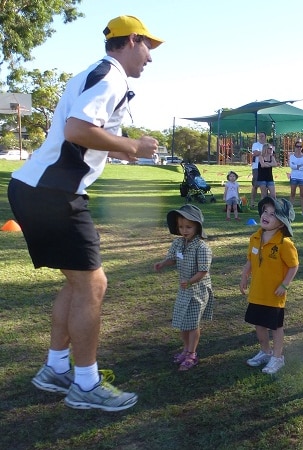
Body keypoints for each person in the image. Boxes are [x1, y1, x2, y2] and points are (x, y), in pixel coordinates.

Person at [7, 15, 163, 411]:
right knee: (93, 285)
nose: (150, 57)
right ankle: (85, 384)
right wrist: (132, 146)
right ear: (131, 41)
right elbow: (77, 130)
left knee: (79, 284)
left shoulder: (92, 74)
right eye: (149, 47)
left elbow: (81, 136)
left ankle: (57, 368)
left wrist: (117, 146)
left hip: (36, 188)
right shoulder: (109, 76)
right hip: (53, 192)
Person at [240, 197, 299, 375]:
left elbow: (293, 266)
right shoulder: (255, 237)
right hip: (257, 292)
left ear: (281, 223)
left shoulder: (284, 243)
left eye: (273, 214)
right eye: (265, 211)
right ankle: (265, 352)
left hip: (275, 294)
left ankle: (278, 357)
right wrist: (244, 276)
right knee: (259, 324)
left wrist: (285, 285)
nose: (266, 215)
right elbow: (250, 260)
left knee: (276, 327)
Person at [154, 205, 214, 371]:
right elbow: (173, 259)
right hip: (184, 288)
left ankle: (192, 354)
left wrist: (190, 281)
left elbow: (203, 270)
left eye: (188, 227)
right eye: (181, 227)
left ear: (197, 227)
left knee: (193, 323)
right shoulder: (178, 243)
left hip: (198, 290)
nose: (184, 230)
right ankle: (185, 349)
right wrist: (163, 263)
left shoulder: (202, 248)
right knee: (182, 321)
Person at [289, 140, 303, 217]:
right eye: (297, 146)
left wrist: (297, 167)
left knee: (302, 194)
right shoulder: (292, 156)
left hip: (302, 177)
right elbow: (291, 166)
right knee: (292, 193)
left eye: (300, 146)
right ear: (295, 147)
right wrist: (299, 166)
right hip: (294, 176)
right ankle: (290, 210)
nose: (298, 148)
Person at [250, 132, 266, 207]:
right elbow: (255, 153)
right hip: (256, 166)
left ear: (265, 137)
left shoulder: (267, 145)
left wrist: (261, 152)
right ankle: (252, 202)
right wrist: (265, 152)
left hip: (266, 166)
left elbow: (271, 154)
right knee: (255, 185)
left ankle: (263, 202)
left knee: (264, 185)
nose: (260, 137)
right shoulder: (255, 144)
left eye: (262, 136)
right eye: (259, 136)